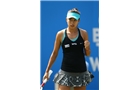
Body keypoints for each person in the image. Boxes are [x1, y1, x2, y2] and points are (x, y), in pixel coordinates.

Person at [43, 8, 93, 90]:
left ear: (78, 21)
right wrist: (47, 71)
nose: (72, 22)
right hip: (66, 71)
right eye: (70, 20)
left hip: (81, 71)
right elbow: (54, 53)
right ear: (66, 19)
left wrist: (87, 48)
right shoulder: (60, 34)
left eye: (75, 20)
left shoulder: (84, 33)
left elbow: (87, 54)